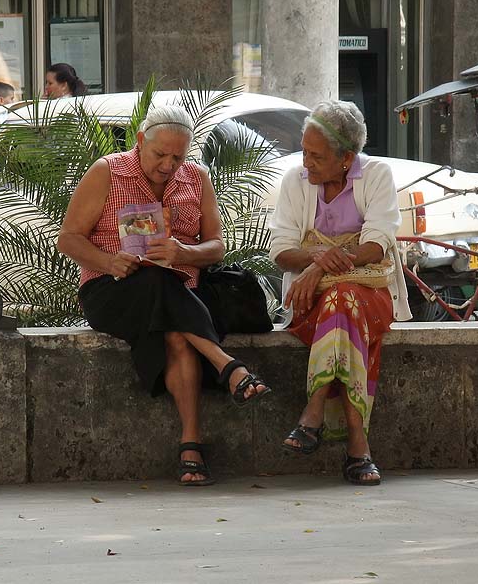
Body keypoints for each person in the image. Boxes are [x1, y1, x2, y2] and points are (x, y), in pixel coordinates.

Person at [57, 104, 271, 487]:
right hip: (114, 288)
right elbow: (68, 238)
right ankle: (226, 364)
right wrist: (109, 262)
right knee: (156, 282)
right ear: (141, 141)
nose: (169, 165)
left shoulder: (197, 178)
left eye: (178, 157)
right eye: (160, 155)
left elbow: (217, 247)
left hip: (182, 289)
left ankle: (191, 447)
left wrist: (184, 253)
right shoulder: (108, 171)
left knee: (175, 327)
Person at [269, 100, 412, 487]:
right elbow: (280, 251)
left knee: (343, 298)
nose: (306, 163)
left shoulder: (378, 175)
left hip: (369, 295)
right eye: (304, 152)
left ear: (347, 158)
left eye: (316, 156)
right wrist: (319, 257)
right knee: (340, 304)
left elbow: (376, 245)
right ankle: (358, 447)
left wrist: (317, 266)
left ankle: (312, 414)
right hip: (310, 301)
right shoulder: (294, 182)